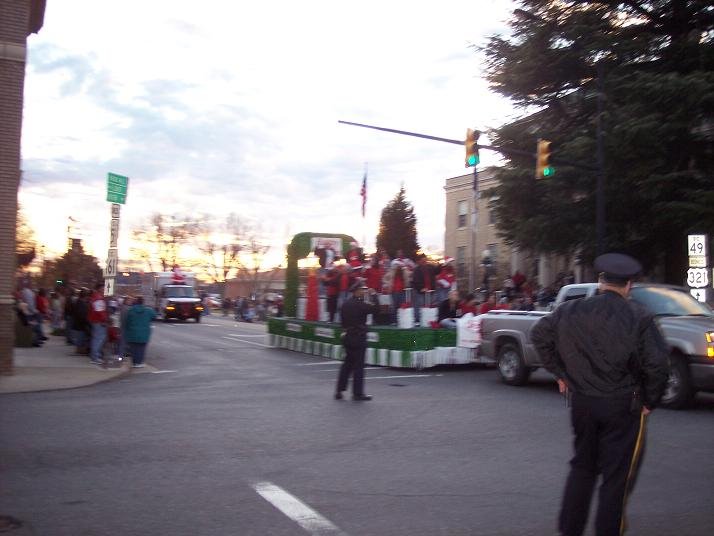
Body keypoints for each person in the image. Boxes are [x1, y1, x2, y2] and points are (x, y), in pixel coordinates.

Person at [530, 253, 669, 536]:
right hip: (622, 405)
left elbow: (539, 335)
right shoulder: (639, 315)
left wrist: (561, 373)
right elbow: (657, 364)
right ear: (629, 285)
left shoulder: (571, 310)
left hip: (582, 401)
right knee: (616, 478)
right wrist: (650, 401)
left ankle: (570, 530)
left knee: (582, 467)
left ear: (600, 281)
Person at [335, 280, 379, 401]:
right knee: (359, 366)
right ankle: (357, 393)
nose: (364, 292)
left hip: (347, 336)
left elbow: (342, 322)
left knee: (347, 365)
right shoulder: (360, 304)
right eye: (362, 290)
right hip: (358, 336)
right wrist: (374, 296)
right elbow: (376, 310)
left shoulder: (345, 304)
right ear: (357, 291)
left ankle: (339, 390)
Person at [124, 296, 156, 368]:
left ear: (136, 302)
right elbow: (154, 316)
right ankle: (139, 362)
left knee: (133, 348)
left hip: (132, 332)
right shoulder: (148, 310)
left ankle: (134, 362)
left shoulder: (131, 310)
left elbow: (127, 321)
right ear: (143, 302)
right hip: (144, 332)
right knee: (141, 348)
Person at [88, 282, 108, 365]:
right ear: (99, 288)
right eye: (103, 288)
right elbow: (100, 311)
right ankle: (95, 357)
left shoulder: (95, 297)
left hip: (95, 320)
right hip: (98, 321)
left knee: (96, 338)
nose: (104, 290)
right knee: (99, 339)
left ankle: (95, 356)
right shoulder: (98, 298)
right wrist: (104, 320)